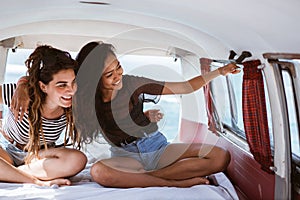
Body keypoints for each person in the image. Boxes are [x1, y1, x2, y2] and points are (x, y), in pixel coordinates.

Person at [73, 41, 240, 188]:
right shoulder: (85, 100)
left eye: (118, 66)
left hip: (155, 146)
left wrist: (219, 72)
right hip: (125, 156)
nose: (118, 76)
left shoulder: (133, 83)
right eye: (109, 75)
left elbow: (185, 87)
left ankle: (148, 177)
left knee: (220, 157)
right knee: (98, 172)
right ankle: (173, 181)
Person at [0, 45, 87, 187]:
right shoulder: (22, 96)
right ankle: (33, 180)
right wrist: (22, 83)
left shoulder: (72, 106)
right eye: (62, 85)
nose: (71, 91)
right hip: (7, 152)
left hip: (38, 156)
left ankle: (10, 173)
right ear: (43, 86)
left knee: (78, 159)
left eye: (73, 83)